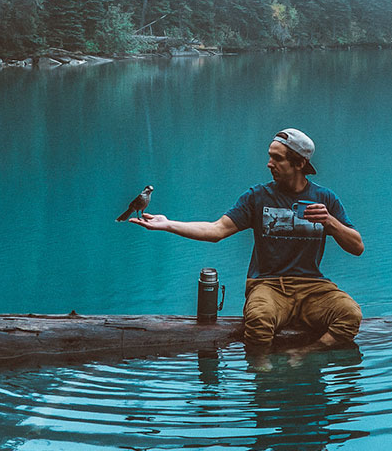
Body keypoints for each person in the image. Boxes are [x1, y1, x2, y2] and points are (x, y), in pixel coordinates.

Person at [130, 128, 364, 351]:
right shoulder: (257, 197)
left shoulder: (324, 198)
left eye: (277, 158)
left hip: (312, 287)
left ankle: (306, 355)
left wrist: (330, 222)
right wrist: (168, 224)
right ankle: (264, 374)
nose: (269, 164)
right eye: (270, 157)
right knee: (259, 321)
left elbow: (357, 247)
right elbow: (216, 230)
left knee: (350, 314)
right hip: (268, 285)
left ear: (300, 163)